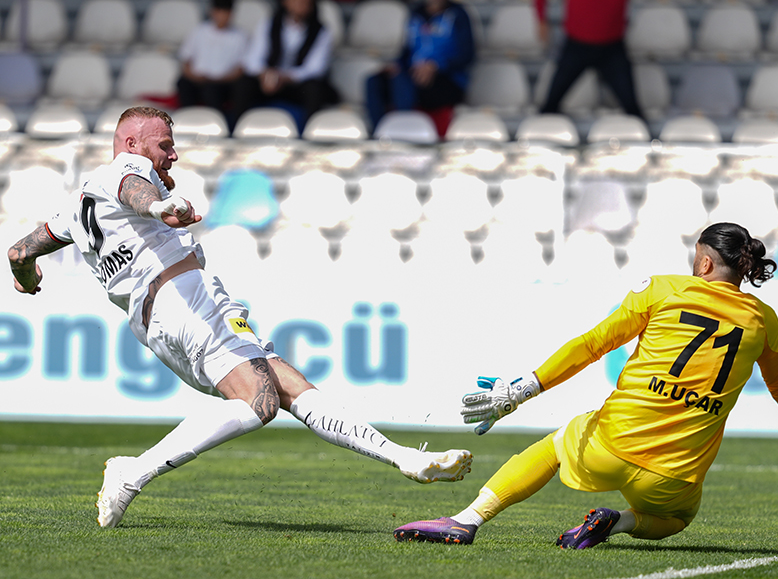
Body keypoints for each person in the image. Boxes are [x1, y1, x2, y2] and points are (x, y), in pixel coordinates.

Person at [7, 106, 472, 529]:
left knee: (287, 385)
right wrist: (160, 205)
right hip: (182, 297)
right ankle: (134, 472)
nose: (172, 154)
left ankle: (403, 458)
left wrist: (26, 276)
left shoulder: (75, 207)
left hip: (159, 317)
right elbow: (135, 189)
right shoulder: (125, 170)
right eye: (164, 144)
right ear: (132, 144)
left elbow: (20, 250)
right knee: (259, 401)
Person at [393, 222, 778, 547]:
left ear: (702, 263)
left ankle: (465, 520)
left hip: (611, 446)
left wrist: (522, 389)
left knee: (557, 445)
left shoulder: (662, 289)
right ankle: (616, 524)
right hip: (674, 475)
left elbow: (593, 344)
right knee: (678, 520)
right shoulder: (763, 320)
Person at [534, 0, 661, 119]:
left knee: (632, 109)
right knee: (550, 106)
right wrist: (542, 21)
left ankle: (644, 140)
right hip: (576, 46)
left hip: (612, 49)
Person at [364, 0, 475, 132]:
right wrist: (397, 64)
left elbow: (467, 54)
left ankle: (403, 133)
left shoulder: (459, 15)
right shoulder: (415, 14)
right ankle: (379, 133)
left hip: (446, 80)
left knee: (402, 80)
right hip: (414, 75)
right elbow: (407, 50)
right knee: (374, 81)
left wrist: (435, 66)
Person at [233, 0, 336, 127]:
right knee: (243, 84)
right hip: (267, 81)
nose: (301, 6)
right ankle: (238, 130)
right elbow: (252, 59)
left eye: (305, 2)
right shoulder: (269, 24)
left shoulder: (321, 31)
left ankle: (309, 133)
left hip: (295, 85)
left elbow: (316, 68)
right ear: (285, 1)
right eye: (296, 0)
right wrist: (265, 75)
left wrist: (284, 78)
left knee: (314, 89)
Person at [176, 0, 247, 122]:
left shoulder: (240, 36)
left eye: (225, 12)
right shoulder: (199, 31)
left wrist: (218, 79)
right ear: (212, 11)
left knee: (212, 90)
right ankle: (186, 121)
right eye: (218, 11)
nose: (221, 16)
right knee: (183, 84)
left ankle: (217, 124)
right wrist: (195, 76)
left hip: (224, 83)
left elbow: (240, 69)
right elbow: (185, 62)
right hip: (198, 80)